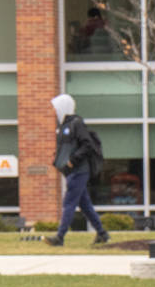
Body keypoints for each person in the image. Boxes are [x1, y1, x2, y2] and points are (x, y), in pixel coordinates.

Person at [45, 93, 110, 246]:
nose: (54, 111)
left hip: (79, 170)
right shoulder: (63, 126)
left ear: (64, 107)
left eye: (56, 108)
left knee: (69, 203)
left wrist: (72, 160)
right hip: (72, 172)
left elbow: (87, 145)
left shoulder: (76, 123)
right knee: (85, 205)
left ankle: (59, 237)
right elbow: (66, 147)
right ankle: (102, 234)